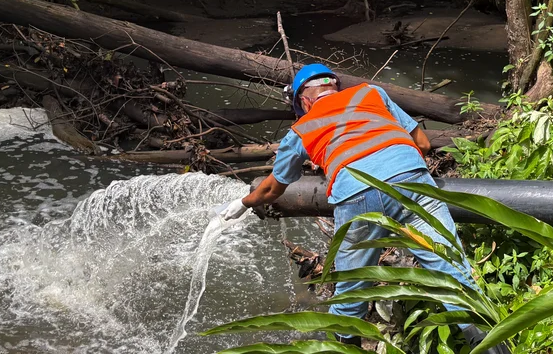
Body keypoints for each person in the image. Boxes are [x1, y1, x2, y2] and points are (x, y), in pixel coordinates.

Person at [217, 63, 508, 353]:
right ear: (334, 87)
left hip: (356, 194)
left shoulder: (301, 128)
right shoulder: (370, 93)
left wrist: (243, 203)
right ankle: (494, 347)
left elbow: (271, 188)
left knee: (350, 292)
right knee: (452, 273)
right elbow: (422, 143)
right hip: (412, 180)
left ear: (304, 101)